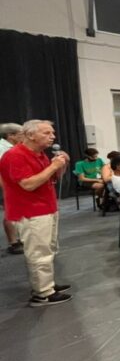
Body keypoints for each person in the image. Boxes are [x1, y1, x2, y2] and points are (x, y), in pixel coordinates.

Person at [0, 120, 72, 306]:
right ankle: (42, 294)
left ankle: (47, 284)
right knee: (38, 252)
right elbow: (28, 184)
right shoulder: (15, 155)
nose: (52, 137)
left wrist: (60, 165)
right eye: (47, 133)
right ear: (30, 135)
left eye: (52, 133)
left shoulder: (40, 154)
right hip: (31, 209)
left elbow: (51, 179)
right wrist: (54, 166)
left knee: (48, 248)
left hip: (46, 206)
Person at [0, 123, 25, 254]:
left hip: (15, 184)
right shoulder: (2, 148)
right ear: (10, 136)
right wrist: (6, 188)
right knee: (10, 212)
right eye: (21, 133)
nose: (24, 136)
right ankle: (14, 242)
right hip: (6, 185)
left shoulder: (15, 147)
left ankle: (21, 238)